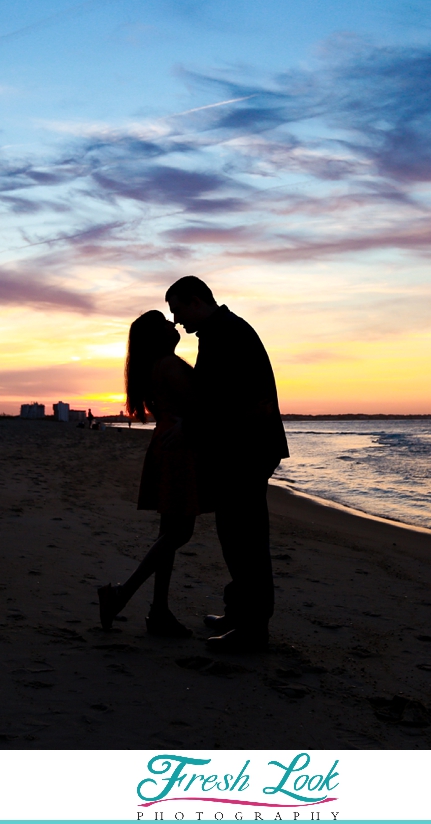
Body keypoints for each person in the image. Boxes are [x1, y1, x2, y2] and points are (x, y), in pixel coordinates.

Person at [165, 276, 289, 654]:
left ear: (196, 300)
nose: (176, 322)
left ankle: (253, 629)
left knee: (246, 537)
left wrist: (188, 424)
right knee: (233, 533)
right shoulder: (220, 331)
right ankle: (239, 614)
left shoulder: (227, 333)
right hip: (241, 448)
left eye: (177, 310)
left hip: (247, 450)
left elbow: (227, 400)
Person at [97, 310, 211, 637]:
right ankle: (121, 594)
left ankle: (158, 611)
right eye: (164, 322)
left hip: (168, 446)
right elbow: (202, 405)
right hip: (178, 450)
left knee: (169, 532)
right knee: (179, 533)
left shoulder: (157, 367)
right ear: (155, 336)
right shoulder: (168, 365)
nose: (172, 324)